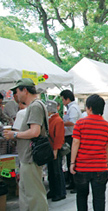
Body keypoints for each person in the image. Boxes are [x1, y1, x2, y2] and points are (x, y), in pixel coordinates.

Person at [3, 78, 48, 210]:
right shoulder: (35, 106)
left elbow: (35, 132)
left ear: (24, 90)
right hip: (28, 157)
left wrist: (15, 134)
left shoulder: (35, 106)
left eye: (16, 91)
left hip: (30, 157)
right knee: (27, 193)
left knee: (35, 196)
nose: (15, 95)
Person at [70, 94, 108, 211]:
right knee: (99, 198)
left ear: (89, 108)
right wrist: (106, 161)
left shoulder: (80, 123)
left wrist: (72, 163)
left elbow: (75, 143)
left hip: (82, 167)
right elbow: (107, 146)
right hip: (100, 168)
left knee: (81, 197)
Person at [60, 90, 82, 193]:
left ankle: (76, 184)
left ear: (67, 99)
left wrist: (61, 123)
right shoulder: (71, 107)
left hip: (72, 136)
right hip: (70, 136)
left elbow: (73, 122)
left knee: (72, 160)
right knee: (70, 160)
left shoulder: (73, 108)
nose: (62, 101)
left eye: (63, 99)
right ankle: (72, 183)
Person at [45, 100, 66, 202]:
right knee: (51, 171)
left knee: (57, 171)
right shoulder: (51, 120)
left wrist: (55, 151)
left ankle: (60, 192)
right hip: (50, 148)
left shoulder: (58, 120)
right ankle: (53, 190)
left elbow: (58, 137)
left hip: (55, 149)